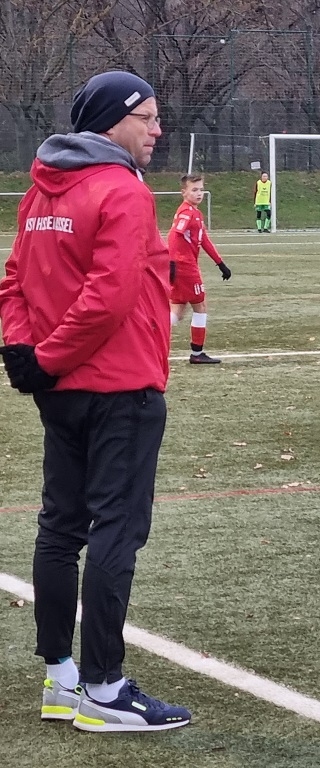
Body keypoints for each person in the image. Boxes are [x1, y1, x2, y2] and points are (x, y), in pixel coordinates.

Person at [0, 70, 191, 732]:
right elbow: (109, 297)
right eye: (147, 117)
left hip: (61, 390)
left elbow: (13, 282)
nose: (158, 129)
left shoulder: (39, 190)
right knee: (116, 529)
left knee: (60, 527)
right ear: (112, 121)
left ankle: (61, 681)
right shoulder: (122, 190)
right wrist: (45, 356)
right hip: (119, 387)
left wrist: (25, 353)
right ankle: (105, 690)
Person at [169, 173, 232, 364]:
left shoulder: (195, 213)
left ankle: (148, 335)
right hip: (185, 267)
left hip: (183, 266)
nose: (199, 193)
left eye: (201, 189)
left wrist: (220, 263)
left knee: (178, 310)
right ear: (184, 192)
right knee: (200, 306)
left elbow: (204, 240)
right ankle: (197, 353)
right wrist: (171, 262)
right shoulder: (187, 213)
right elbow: (174, 236)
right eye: (194, 190)